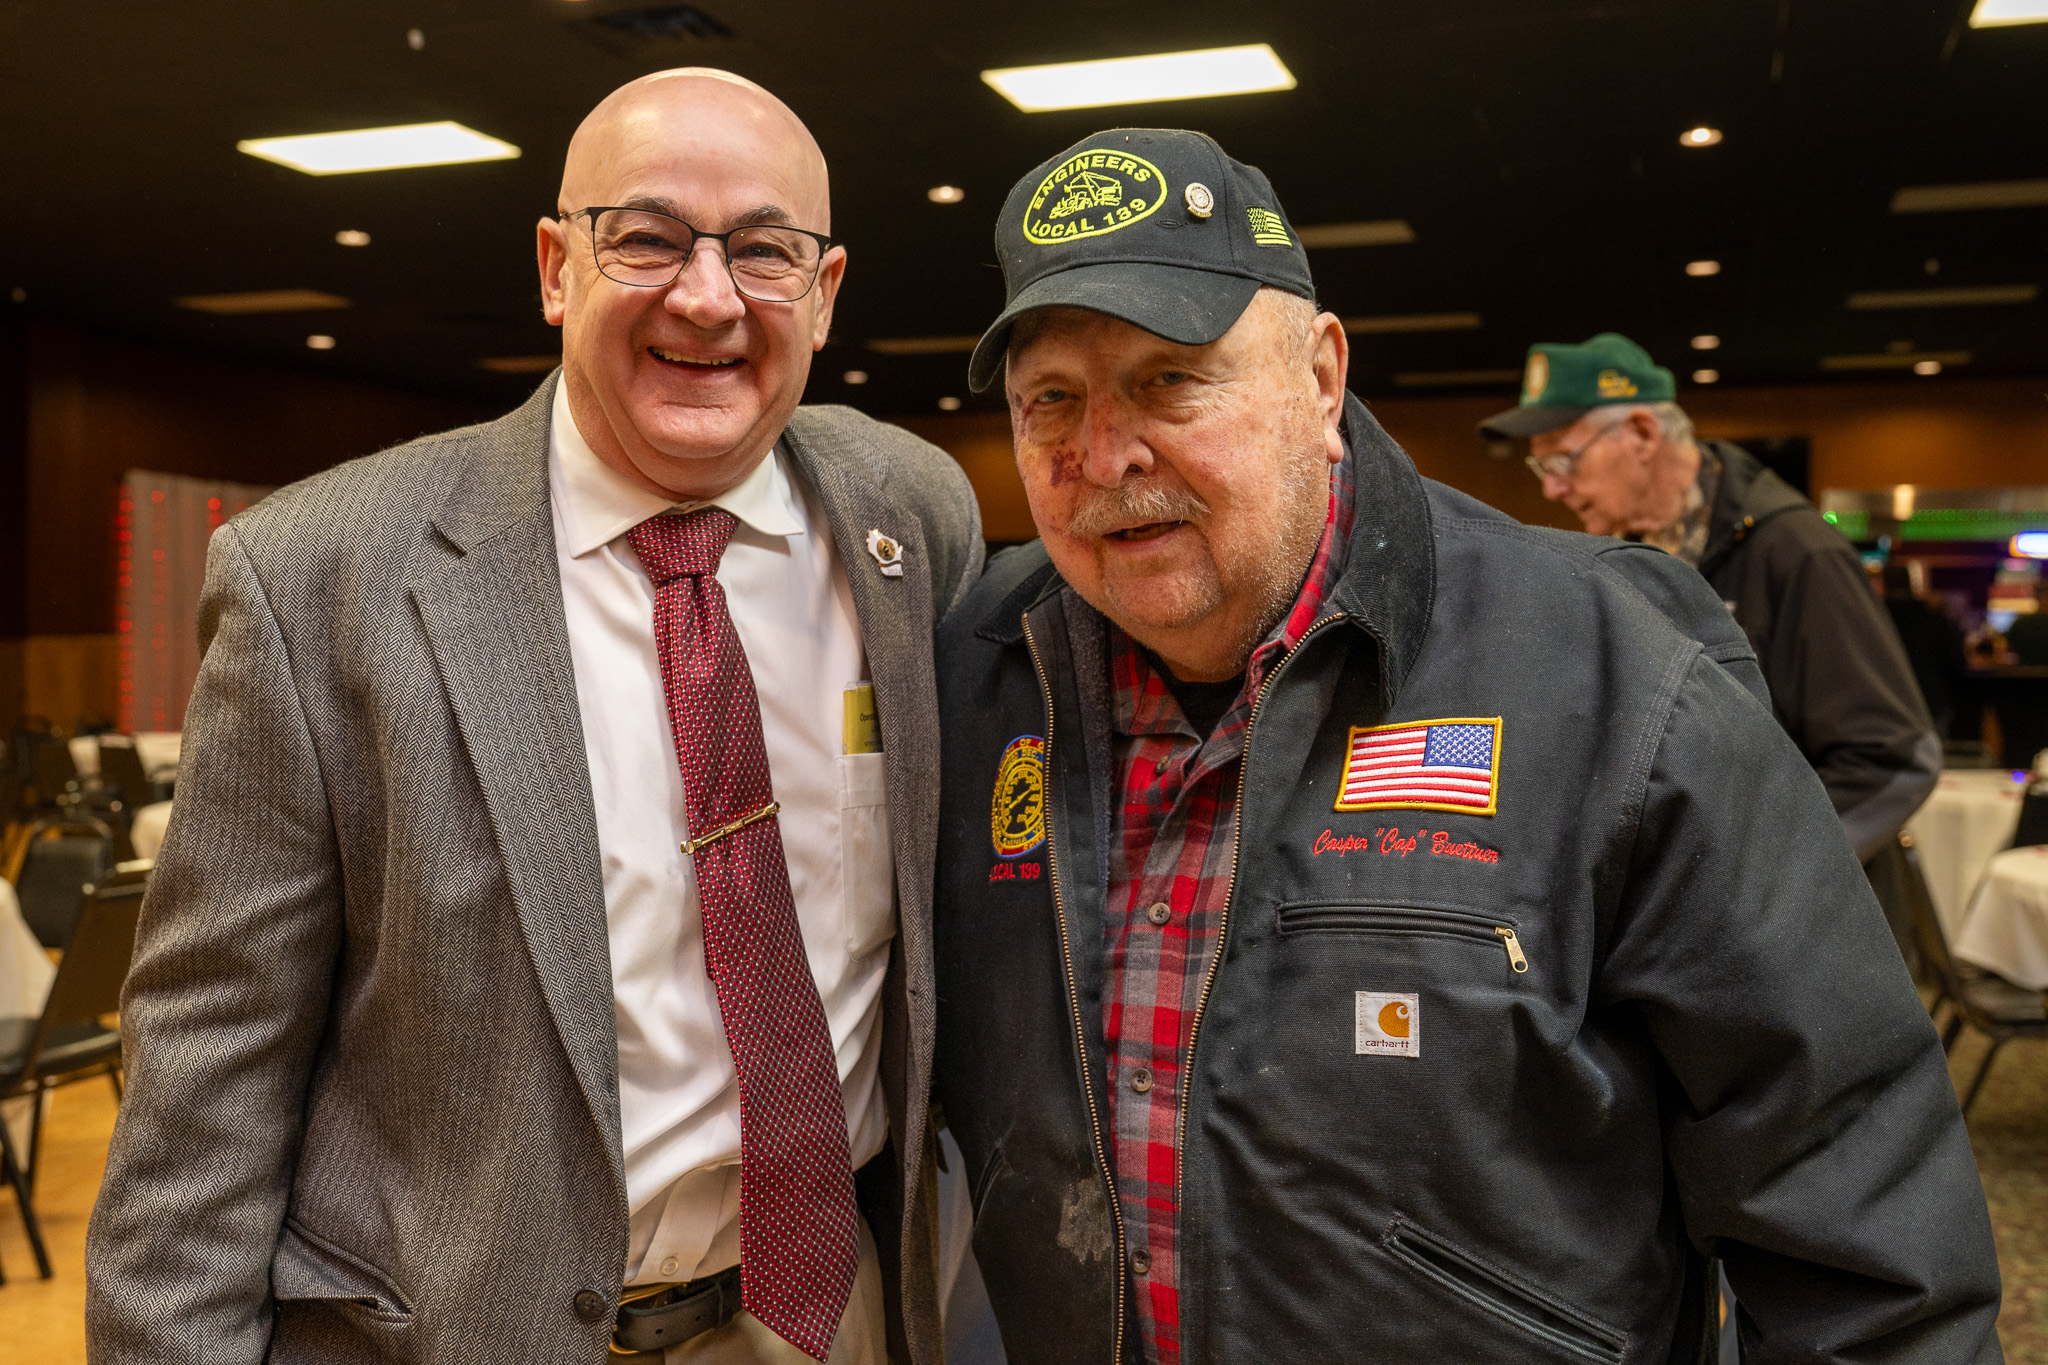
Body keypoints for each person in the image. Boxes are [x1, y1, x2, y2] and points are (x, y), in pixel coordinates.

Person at [929, 128, 2001, 1363]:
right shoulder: (980, 672)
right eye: (1050, 399)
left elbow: (1857, 1239)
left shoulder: (1615, 675)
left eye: (1170, 380)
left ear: (1320, 380)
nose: (1106, 454)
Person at [86, 70, 982, 1364]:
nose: (707, 297)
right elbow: (207, 1070)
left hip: (822, 1322)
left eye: (763, 251)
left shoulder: (910, 517)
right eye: (648, 238)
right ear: (558, 268)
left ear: (825, 290)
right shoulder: (319, 577)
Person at [1483, 337, 1939, 863]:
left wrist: (1761, 876)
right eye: (1542, 468)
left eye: (1564, 460)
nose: (1552, 490)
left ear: (1642, 434)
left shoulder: (1797, 552)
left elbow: (1894, 760)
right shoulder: (1619, 558)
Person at [1880, 560, 1969, 737]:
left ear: (1884, 585)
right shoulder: (1935, 621)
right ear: (1911, 585)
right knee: (1933, 752)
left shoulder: (1875, 623)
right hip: (1932, 704)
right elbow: (1957, 664)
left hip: (1886, 706)